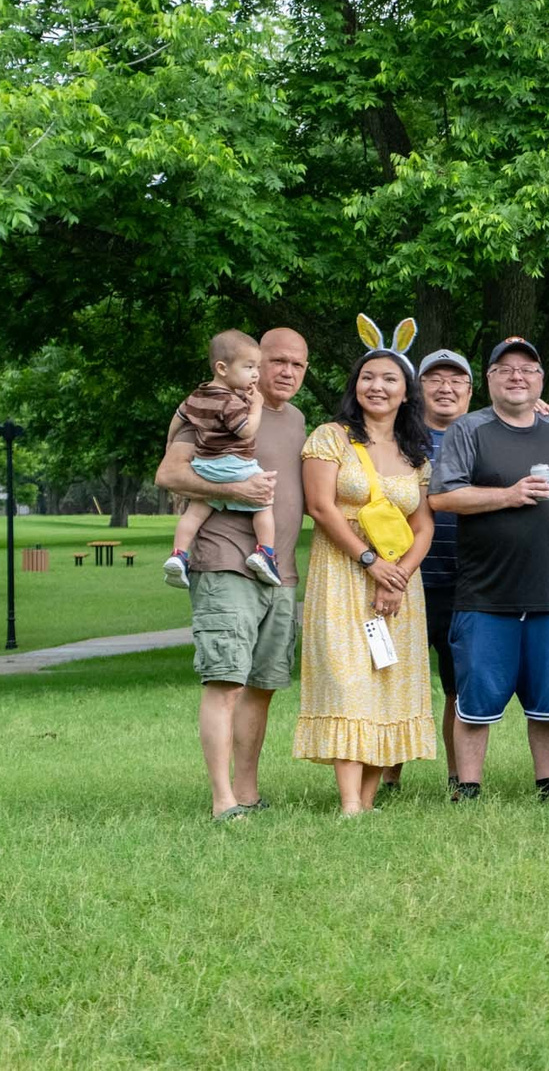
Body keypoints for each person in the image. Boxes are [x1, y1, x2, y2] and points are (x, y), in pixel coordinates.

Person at [156, 327, 308, 820]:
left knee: (262, 684)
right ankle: (223, 801)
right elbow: (169, 473)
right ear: (254, 362)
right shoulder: (210, 406)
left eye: (298, 365)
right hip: (225, 563)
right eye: (277, 361)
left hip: (278, 571)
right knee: (226, 681)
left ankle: (247, 793)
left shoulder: (299, 420)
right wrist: (240, 494)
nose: (286, 372)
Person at [429, 335, 549, 801]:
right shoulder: (468, 430)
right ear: (489, 379)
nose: (518, 376)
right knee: (475, 701)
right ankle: (468, 787)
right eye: (505, 369)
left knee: (548, 701)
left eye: (528, 369)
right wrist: (509, 496)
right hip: (485, 592)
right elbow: (442, 496)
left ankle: (547, 784)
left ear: (540, 380)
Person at [293, 344, 438, 815]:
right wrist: (370, 561)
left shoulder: (416, 452)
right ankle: (350, 802)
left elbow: (424, 526)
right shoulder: (330, 437)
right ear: (355, 386)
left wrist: (396, 577)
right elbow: (320, 508)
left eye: (390, 379)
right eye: (368, 377)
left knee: (386, 681)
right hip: (342, 574)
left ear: (406, 392)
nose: (378, 386)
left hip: (398, 583)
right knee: (348, 679)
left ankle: (369, 800)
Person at [381, 349, 473, 796]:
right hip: (405, 577)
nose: (445, 387)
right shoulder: (398, 439)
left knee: (459, 687)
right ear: (418, 390)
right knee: (394, 678)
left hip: (468, 582)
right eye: (435, 379)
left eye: (456, 380)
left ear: (471, 391)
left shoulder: (484, 435)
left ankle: (459, 779)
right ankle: (387, 775)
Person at [163, 329, 281, 588]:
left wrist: (170, 440)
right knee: (264, 500)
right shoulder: (231, 402)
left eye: (258, 367)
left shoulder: (197, 395)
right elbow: (246, 430)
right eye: (249, 367)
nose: (255, 374)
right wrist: (256, 406)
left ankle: (179, 555)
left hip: (205, 466)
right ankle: (265, 553)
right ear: (222, 368)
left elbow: (179, 416)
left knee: (195, 513)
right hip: (234, 464)